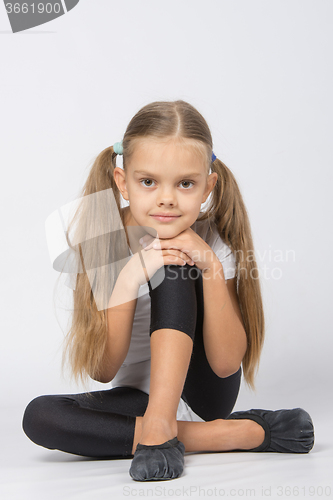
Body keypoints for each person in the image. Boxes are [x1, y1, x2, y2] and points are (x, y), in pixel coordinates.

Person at [22, 100, 314, 482]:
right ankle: (236, 433)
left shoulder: (211, 243)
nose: (167, 199)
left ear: (208, 186)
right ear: (122, 181)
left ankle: (161, 430)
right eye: (148, 182)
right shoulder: (100, 240)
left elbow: (226, 363)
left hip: (202, 394)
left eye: (185, 184)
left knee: (173, 259)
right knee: (40, 417)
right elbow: (103, 370)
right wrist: (127, 279)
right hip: (137, 400)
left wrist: (208, 264)